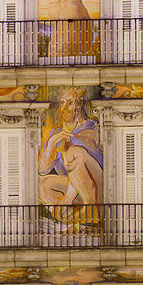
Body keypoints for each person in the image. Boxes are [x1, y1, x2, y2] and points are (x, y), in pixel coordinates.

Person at [38, 88, 103, 222]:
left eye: (69, 103)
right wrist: (51, 144)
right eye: (62, 103)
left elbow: (80, 165)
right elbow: (42, 169)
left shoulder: (92, 128)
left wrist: (67, 197)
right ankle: (73, 216)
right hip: (76, 191)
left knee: (75, 152)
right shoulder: (57, 131)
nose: (64, 108)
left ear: (79, 104)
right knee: (43, 184)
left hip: (97, 187)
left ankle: (91, 210)